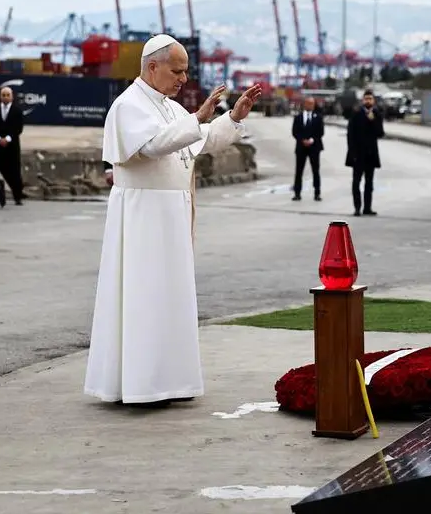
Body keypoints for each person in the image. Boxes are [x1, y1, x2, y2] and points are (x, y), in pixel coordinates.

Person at [83, 34, 262, 407]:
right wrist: (197, 119)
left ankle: (169, 381)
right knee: (143, 296)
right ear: (152, 66)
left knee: (169, 297)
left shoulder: (169, 106)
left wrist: (233, 118)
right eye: (177, 71)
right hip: (143, 215)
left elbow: (202, 140)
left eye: (185, 71)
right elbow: (150, 146)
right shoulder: (128, 105)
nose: (183, 79)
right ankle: (139, 384)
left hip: (170, 216)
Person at [345, 90, 384, 216]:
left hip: (371, 154)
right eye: (366, 98)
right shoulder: (356, 114)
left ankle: (367, 207)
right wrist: (352, 152)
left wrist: (373, 121)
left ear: (373, 101)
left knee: (369, 183)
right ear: (363, 100)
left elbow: (380, 133)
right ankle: (357, 207)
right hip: (358, 154)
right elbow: (350, 134)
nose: (368, 101)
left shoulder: (377, 114)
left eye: (370, 99)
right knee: (356, 182)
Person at [0, 86, 26, 205]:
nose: (5, 97)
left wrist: (7, 139)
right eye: (3, 95)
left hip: (11, 146)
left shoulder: (17, 111)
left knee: (14, 172)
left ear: (12, 96)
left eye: (8, 95)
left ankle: (17, 197)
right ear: (0, 96)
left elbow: (18, 128)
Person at [291, 96, 324, 201]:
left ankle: (317, 193)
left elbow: (321, 132)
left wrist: (312, 140)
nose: (310, 105)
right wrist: (302, 140)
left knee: (316, 171)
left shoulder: (318, 118)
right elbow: (295, 132)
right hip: (301, 147)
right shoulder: (298, 117)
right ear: (304, 104)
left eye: (312, 103)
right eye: (308, 103)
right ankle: (297, 193)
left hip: (314, 147)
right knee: (299, 171)